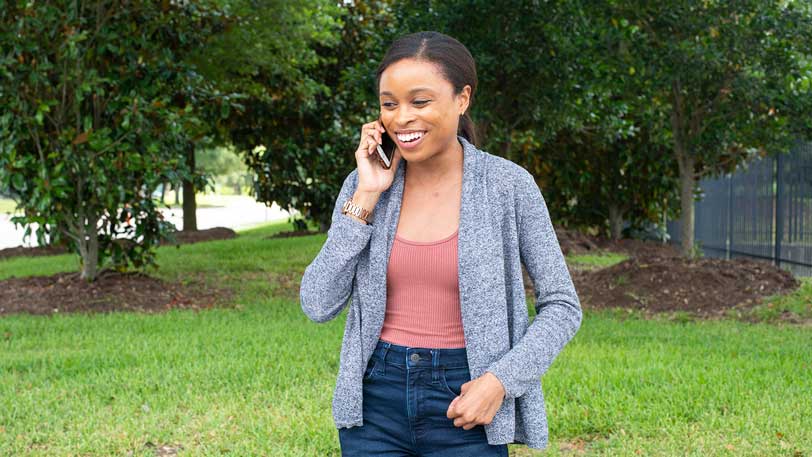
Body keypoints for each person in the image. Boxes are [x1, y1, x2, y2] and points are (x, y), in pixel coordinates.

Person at [300, 31, 582, 456]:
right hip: (376, 402)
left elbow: (562, 306)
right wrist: (366, 196)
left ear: (462, 99)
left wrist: (500, 380)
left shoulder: (508, 187)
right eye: (389, 104)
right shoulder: (366, 186)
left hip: (466, 399)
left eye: (420, 101)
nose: (401, 118)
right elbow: (317, 302)